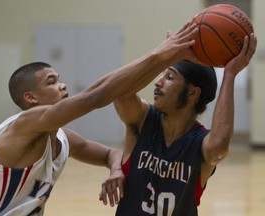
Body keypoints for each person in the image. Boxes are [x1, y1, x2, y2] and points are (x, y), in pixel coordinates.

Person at [0, 22, 200, 215]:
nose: (62, 85)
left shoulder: (63, 139)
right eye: (51, 82)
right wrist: (159, 55)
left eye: (59, 79)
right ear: (30, 98)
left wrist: (115, 169)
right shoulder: (23, 125)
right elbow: (94, 97)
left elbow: (111, 154)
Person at [99, 33, 257, 216]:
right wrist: (162, 55)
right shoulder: (142, 119)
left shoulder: (200, 143)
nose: (158, 82)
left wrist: (229, 75)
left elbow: (220, 145)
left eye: (170, 77)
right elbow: (121, 92)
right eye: (162, 75)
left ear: (192, 94)